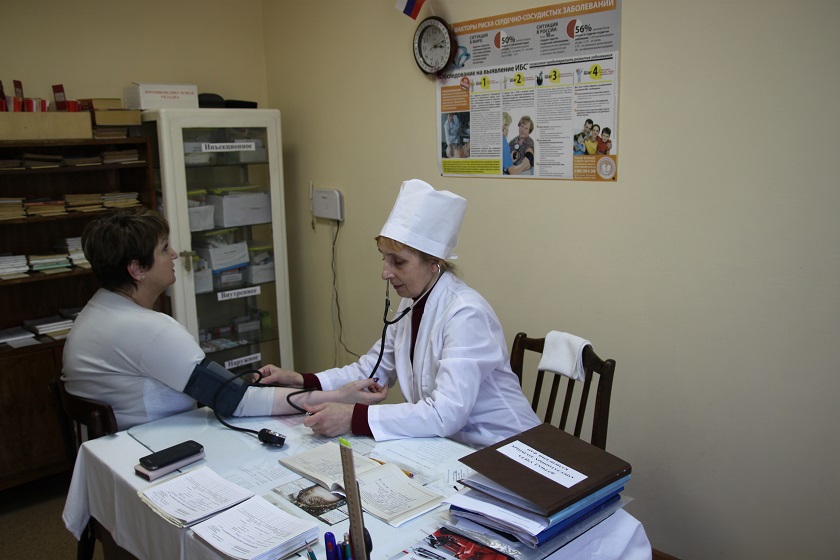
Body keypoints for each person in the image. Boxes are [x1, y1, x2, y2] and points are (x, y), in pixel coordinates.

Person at [259, 179, 541, 448]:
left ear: (434, 262)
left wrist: (353, 418)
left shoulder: (466, 314)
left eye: (399, 262)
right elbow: (371, 371)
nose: (385, 273)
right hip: (450, 447)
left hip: (506, 448)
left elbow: (445, 414)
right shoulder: (411, 303)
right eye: (384, 258)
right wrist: (301, 380)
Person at [62, 208, 385, 430]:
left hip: (115, 448)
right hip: (153, 449)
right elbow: (234, 401)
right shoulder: (149, 330)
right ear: (137, 269)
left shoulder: (96, 311)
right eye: (163, 248)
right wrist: (336, 397)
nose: (174, 254)